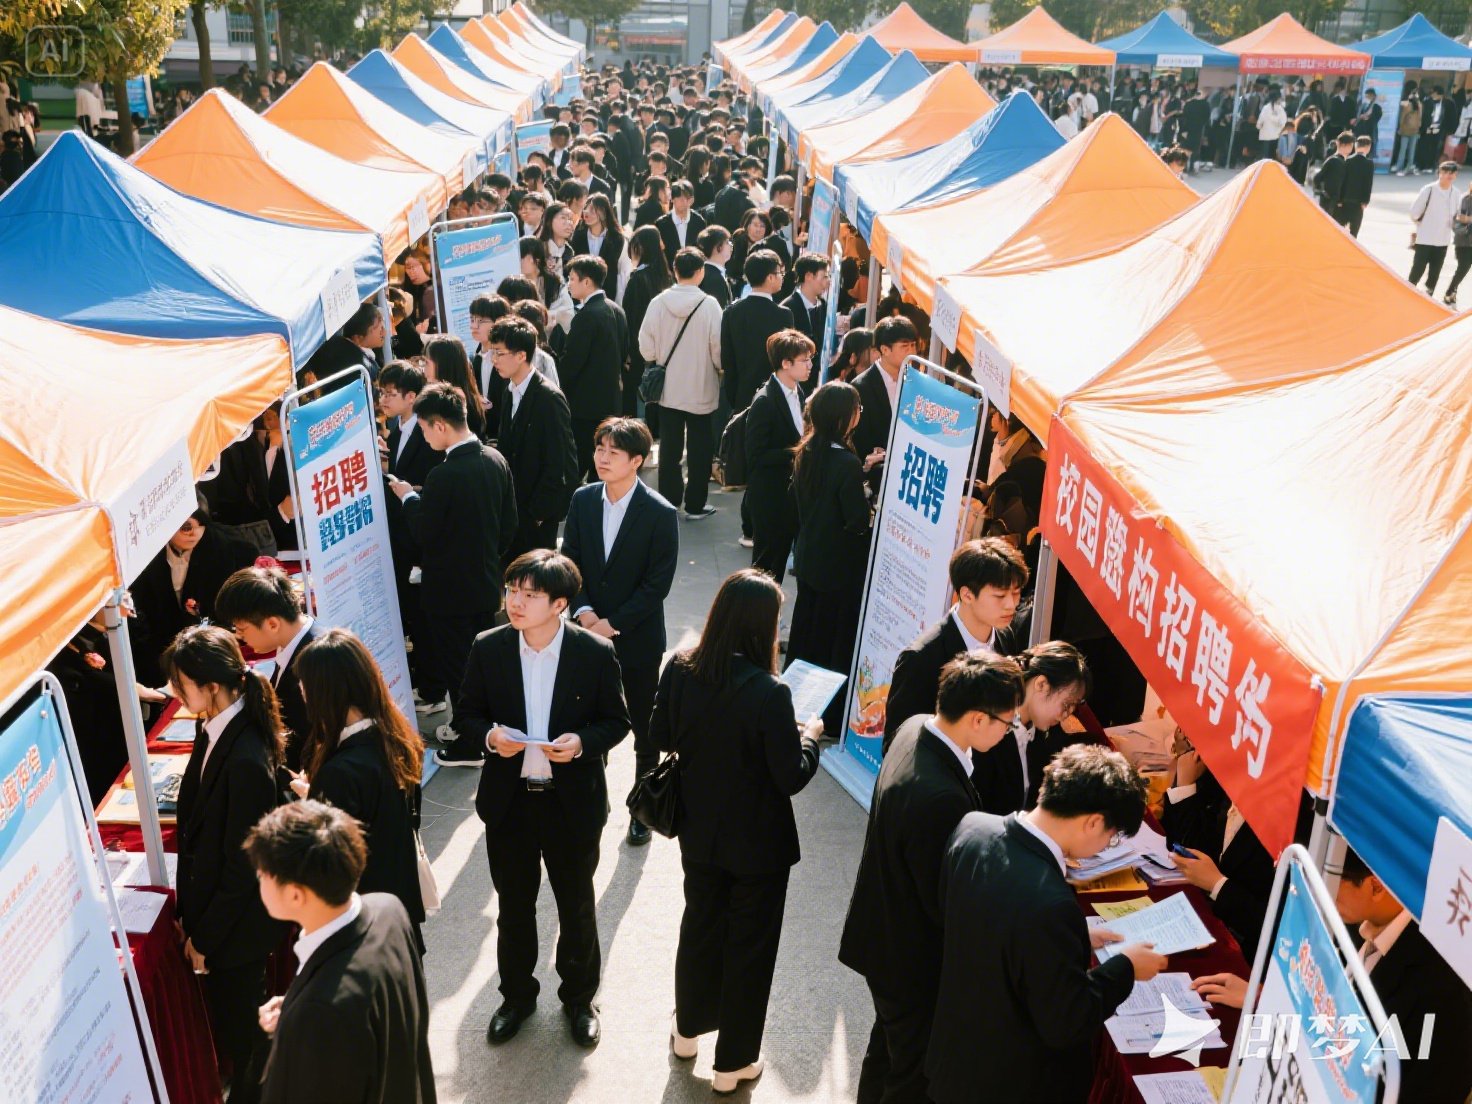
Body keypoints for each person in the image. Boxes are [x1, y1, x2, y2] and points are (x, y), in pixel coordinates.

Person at [651, 570, 823, 1092]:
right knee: (750, 949)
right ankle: (733, 1063)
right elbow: (790, 776)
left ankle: (686, 1032)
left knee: (699, 926)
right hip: (759, 845)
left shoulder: (680, 668)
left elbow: (660, 734)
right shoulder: (771, 692)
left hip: (698, 830)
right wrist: (810, 738)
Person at [454, 550, 631, 1047]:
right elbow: (466, 715)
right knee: (514, 907)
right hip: (510, 802)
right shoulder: (489, 647)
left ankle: (579, 998)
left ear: (559, 604)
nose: (515, 602)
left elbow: (617, 721)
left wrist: (582, 744)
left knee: (576, 906)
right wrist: (491, 738)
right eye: (512, 590)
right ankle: (516, 996)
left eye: (530, 595)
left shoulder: (593, 652)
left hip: (570, 802)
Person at [926, 745, 1165, 1103]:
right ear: (1093, 822)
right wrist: (1126, 968)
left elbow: (972, 916)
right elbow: (1067, 1021)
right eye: (1112, 836)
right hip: (1011, 1083)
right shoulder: (1052, 905)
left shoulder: (972, 827)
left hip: (955, 1059)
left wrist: (1072, 938)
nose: (1107, 845)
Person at [839, 654, 1027, 1104]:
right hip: (911, 960)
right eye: (1007, 723)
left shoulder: (915, 726)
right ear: (978, 718)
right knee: (911, 1075)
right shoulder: (940, 798)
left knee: (886, 1054)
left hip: (882, 935)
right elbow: (943, 899)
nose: (1009, 732)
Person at [1191, 847, 1472, 1104]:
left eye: (1333, 880)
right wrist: (1266, 997)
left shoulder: (1443, 993)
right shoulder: (1358, 918)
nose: (1322, 890)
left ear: (1375, 886)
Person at [164, 625, 287, 1101]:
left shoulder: (245, 756)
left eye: (182, 684)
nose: (175, 693)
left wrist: (205, 937)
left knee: (248, 1036)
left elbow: (242, 867)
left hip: (236, 929)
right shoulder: (216, 728)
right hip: (221, 920)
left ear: (212, 686)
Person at [248, 801, 435, 1104]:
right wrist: (296, 1007)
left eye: (262, 874)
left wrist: (305, 1019)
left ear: (295, 894)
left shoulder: (320, 1014)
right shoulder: (388, 909)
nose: (258, 880)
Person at [560, 418, 679, 844]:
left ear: (637, 461)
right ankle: (592, 802)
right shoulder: (583, 499)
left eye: (614, 451)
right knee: (590, 721)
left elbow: (656, 584)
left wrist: (612, 623)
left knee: (644, 727)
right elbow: (570, 560)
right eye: (599, 448)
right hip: (585, 632)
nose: (603, 457)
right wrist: (585, 612)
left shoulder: (660, 512)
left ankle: (643, 809)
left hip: (637, 638)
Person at [385, 383, 517, 757]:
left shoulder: (444, 475)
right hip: (485, 584)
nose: (424, 437)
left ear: (440, 425)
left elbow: (424, 533)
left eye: (425, 429)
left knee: (459, 671)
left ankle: (469, 745)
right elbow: (509, 526)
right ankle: (477, 732)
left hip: (448, 593)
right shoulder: (495, 459)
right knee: (480, 666)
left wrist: (409, 498)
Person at [292, 627, 426, 944]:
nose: (301, 689)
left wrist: (314, 802)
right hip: (398, 915)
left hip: (363, 930)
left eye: (305, 683)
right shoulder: (395, 737)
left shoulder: (340, 772)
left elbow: (331, 866)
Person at [884, 537, 1031, 749]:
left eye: (1016, 593)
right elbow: (897, 745)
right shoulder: (922, 658)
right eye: (1000, 595)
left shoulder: (1006, 636)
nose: (1011, 605)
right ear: (967, 595)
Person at [787, 380, 870, 733]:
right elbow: (856, 520)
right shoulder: (845, 462)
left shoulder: (807, 450)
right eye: (857, 409)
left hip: (810, 557)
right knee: (834, 642)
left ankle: (793, 704)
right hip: (839, 566)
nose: (859, 415)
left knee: (806, 634)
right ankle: (828, 718)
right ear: (843, 417)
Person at [1161, 752, 1275, 961]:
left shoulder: (1289, 823)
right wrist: (1184, 786)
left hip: (1245, 951)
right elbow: (1184, 848)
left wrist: (1218, 885)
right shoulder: (1221, 777)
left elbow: (1273, 924)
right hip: (1201, 921)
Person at [639, 247, 725, 518]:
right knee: (700, 448)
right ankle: (696, 504)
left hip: (669, 388)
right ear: (700, 272)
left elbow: (645, 347)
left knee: (669, 448)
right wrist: (718, 368)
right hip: (701, 385)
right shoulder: (709, 305)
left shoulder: (658, 302)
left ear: (674, 270)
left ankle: (668, 501)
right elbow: (718, 349)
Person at [130, 506, 256, 686]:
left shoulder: (225, 548)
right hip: (159, 647)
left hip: (210, 644)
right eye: (186, 527)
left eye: (201, 525)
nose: (194, 533)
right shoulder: (144, 555)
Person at [489, 317, 578, 560]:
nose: (494, 359)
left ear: (521, 355)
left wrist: (540, 513)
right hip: (513, 510)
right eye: (493, 352)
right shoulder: (509, 391)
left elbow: (561, 462)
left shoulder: (549, 398)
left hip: (536, 515)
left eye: (499, 353)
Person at [214, 565, 317, 770]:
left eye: (242, 629)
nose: (239, 637)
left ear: (272, 624)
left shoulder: (314, 666)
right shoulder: (293, 644)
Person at [972, 641, 1091, 816]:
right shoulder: (988, 730)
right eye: (1066, 705)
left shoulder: (1046, 733)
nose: (1065, 715)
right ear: (1041, 684)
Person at [744, 329, 811, 582]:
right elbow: (756, 455)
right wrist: (796, 452)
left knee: (780, 559)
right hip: (769, 496)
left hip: (790, 493)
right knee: (765, 564)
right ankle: (757, 606)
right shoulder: (765, 401)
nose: (810, 365)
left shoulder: (797, 392)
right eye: (804, 360)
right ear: (786, 363)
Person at [561, 255, 630, 479]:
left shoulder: (586, 316)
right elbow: (624, 353)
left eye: (572, 279)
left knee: (579, 464)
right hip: (611, 402)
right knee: (603, 467)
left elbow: (571, 363)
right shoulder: (617, 310)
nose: (569, 284)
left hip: (584, 407)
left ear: (587, 281)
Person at [720, 249, 794, 414]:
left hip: (741, 396)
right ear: (770, 277)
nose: (782, 277)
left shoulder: (731, 312)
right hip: (774, 397)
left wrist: (734, 397)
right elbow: (788, 358)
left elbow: (727, 359)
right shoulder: (783, 315)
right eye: (780, 273)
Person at [851, 315, 919, 492]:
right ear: (884, 349)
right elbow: (858, 439)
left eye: (913, 345)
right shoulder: (861, 387)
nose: (912, 352)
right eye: (905, 346)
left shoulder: (917, 382)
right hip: (877, 479)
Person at [621, 225, 673, 414]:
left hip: (638, 349)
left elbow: (630, 318)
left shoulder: (638, 279)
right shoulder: (666, 277)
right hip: (663, 348)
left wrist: (626, 351)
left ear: (640, 247)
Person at [1410, 161, 1461, 296]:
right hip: (1425, 238)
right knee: (1417, 269)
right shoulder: (1429, 189)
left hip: (1443, 240)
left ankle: (1428, 297)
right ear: (1439, 173)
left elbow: (1457, 215)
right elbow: (1414, 212)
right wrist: (1422, 224)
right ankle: (1407, 293)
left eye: (1451, 173)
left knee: (1435, 272)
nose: (1448, 176)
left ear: (1455, 175)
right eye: (1445, 172)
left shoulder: (1456, 193)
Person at [570, 194, 629, 300]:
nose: (587, 213)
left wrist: (619, 301)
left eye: (592, 210)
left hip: (608, 295)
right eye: (586, 209)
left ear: (604, 213)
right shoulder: (578, 236)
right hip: (580, 296)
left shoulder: (617, 239)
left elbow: (623, 273)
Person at [780, 251, 830, 348]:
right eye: (825, 276)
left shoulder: (824, 305)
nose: (828, 281)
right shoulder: (788, 308)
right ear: (808, 276)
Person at [656, 179, 707, 264]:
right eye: (679, 197)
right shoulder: (661, 223)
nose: (683, 201)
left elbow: (703, 249)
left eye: (687, 198)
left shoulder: (699, 221)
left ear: (692, 200)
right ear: (672, 199)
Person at [1340, 134, 1375, 237]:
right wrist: (1365, 201)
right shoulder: (1369, 163)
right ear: (1368, 147)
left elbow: (1343, 181)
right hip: (1358, 202)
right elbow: (1368, 184)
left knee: (1341, 228)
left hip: (1345, 199)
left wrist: (1340, 199)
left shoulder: (1348, 160)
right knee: (1354, 231)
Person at [1444, 184, 1472, 305]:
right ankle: (1450, 292)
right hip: (1465, 241)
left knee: (1463, 269)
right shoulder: (1465, 199)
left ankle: (1452, 291)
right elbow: (1461, 218)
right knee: (1463, 268)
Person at [1315, 131, 1353, 217]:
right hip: (1333, 204)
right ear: (1345, 145)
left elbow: (1317, 178)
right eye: (1351, 145)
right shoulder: (1338, 162)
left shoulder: (1332, 159)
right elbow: (1337, 185)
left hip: (1328, 201)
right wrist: (1339, 200)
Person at [696, 224, 734, 307]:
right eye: (727, 242)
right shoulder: (714, 279)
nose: (731, 245)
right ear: (718, 247)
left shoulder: (706, 272)